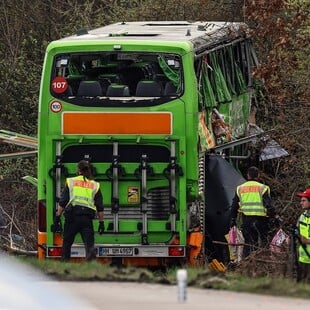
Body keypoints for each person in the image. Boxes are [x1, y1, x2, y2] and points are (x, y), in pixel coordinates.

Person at [51, 160, 104, 261]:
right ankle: (91, 269)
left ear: (78, 170)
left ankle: (65, 267)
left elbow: (63, 202)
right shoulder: (95, 185)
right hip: (86, 220)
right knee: (89, 246)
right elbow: (100, 206)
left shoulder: (71, 181)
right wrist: (101, 222)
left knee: (67, 244)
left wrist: (57, 217)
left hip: (72, 218)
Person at [230, 166, 275, 257]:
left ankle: (247, 264)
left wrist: (232, 220)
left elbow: (234, 206)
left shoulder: (240, 188)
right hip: (261, 220)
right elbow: (269, 205)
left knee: (248, 243)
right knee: (263, 242)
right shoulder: (263, 188)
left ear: (248, 176)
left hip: (246, 219)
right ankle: (262, 263)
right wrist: (273, 216)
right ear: (258, 176)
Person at [296, 188, 310, 282]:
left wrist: (308, 241)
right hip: (303, 259)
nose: (301, 203)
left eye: (304, 200)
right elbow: (297, 232)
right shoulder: (302, 216)